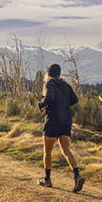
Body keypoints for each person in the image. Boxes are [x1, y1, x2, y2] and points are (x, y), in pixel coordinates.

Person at [37, 63, 86, 193]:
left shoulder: (49, 84)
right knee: (66, 150)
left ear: (47, 73)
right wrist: (63, 104)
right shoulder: (65, 85)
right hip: (66, 121)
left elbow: (49, 97)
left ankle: (47, 179)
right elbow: (75, 99)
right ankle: (77, 176)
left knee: (47, 151)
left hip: (53, 120)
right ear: (59, 74)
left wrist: (41, 105)